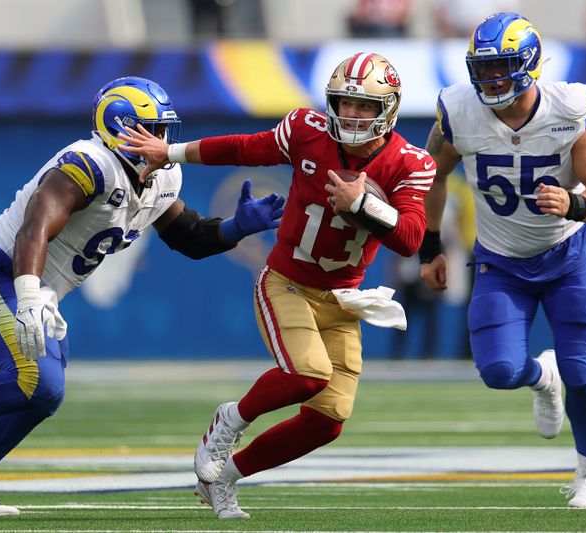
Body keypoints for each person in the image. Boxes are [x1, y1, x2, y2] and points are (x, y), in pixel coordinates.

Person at [0, 76, 285, 517]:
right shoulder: (90, 162)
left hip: (36, 287)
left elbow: (189, 236)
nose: (164, 141)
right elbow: (34, 227)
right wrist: (30, 294)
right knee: (38, 380)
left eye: (165, 129)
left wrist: (236, 227)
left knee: (45, 394)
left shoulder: (162, 175)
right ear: (121, 127)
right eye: (152, 128)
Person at [119, 52, 433, 519]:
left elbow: (410, 238)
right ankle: (230, 420)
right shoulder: (307, 131)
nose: (351, 114)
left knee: (327, 423)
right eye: (345, 103)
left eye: (365, 106)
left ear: (388, 108)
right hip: (288, 282)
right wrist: (172, 153)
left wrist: (363, 202)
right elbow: (245, 147)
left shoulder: (410, 162)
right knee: (306, 375)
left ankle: (223, 483)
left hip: (344, 299)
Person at [418, 13, 586, 509]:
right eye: (482, 69)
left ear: (529, 64)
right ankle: (539, 378)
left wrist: (575, 204)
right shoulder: (458, 110)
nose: (489, 80)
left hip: (568, 253)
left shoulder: (568, 106)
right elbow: (432, 176)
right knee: (499, 370)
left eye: (501, 67)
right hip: (502, 261)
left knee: (580, 370)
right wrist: (430, 246)